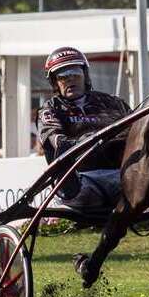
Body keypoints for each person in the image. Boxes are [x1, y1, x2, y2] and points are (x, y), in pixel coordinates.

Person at [37, 47, 132, 213]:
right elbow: (57, 141)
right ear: (55, 83)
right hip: (81, 179)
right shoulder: (50, 109)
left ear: (85, 75)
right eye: (63, 76)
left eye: (75, 73)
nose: (70, 79)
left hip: (122, 174)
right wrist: (91, 140)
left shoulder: (113, 103)